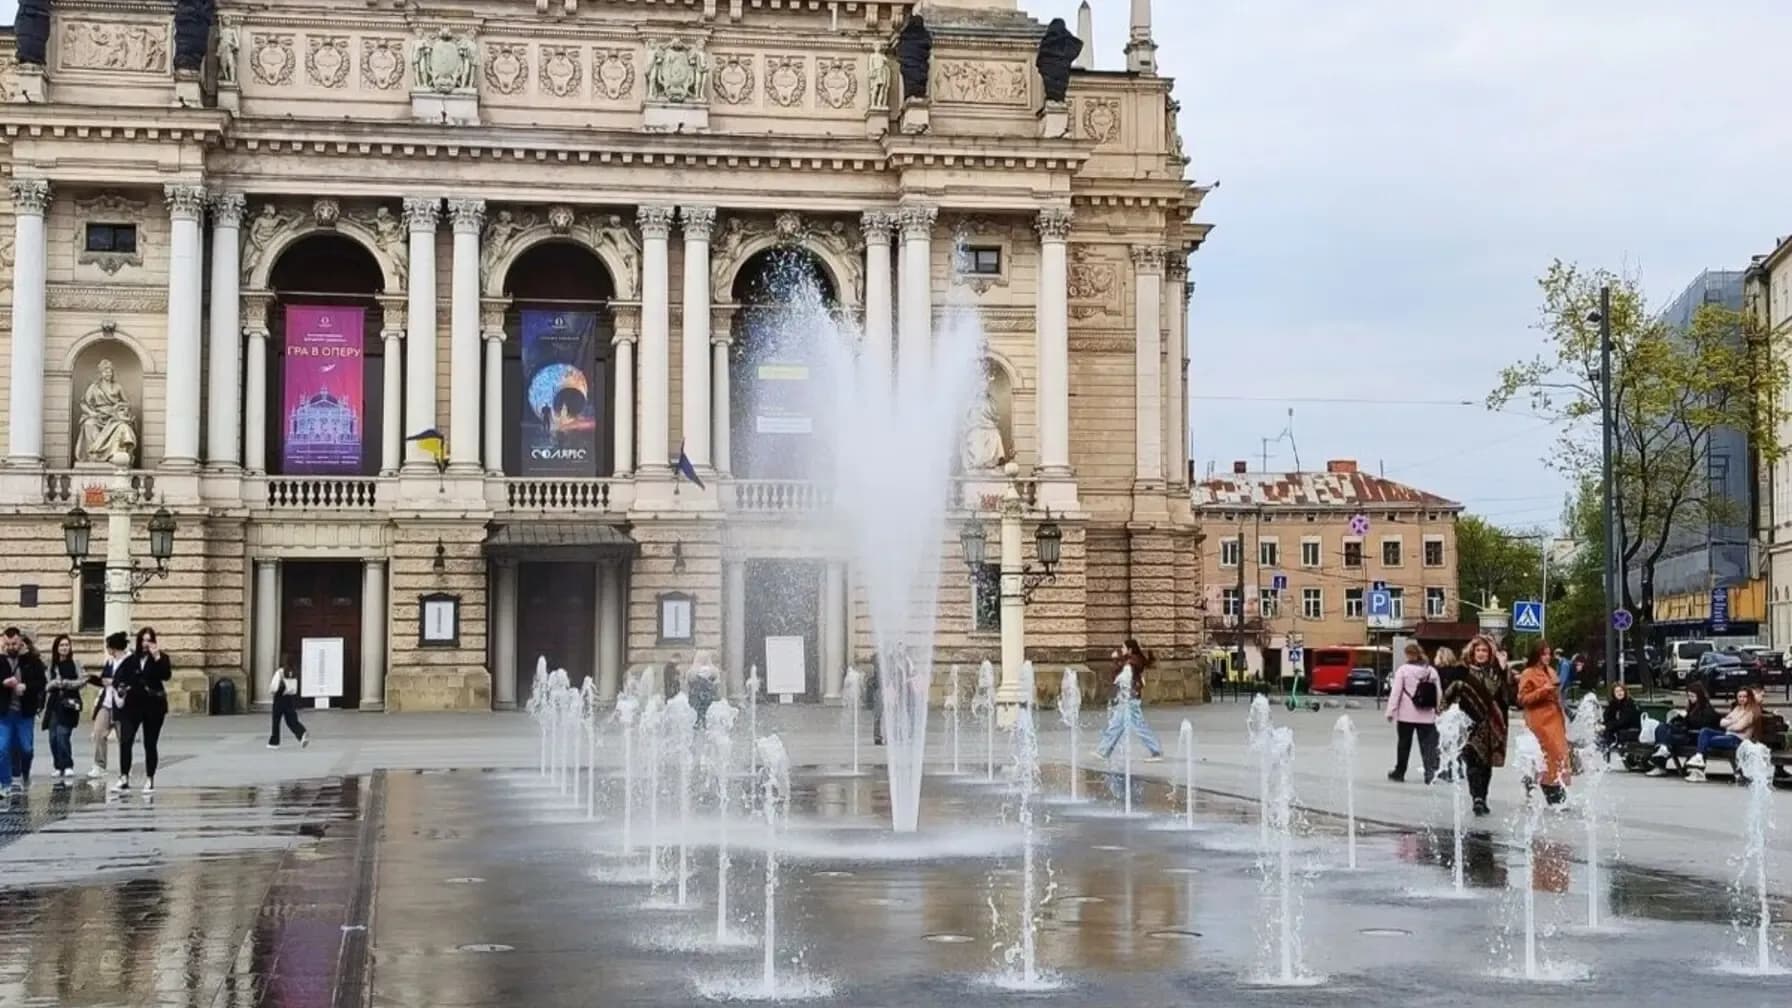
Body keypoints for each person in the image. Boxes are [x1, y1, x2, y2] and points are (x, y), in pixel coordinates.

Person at [1440, 634, 1509, 816]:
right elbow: (1448, 694)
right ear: (1472, 652)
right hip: (1468, 724)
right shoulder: (1462, 671)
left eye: (1484, 650)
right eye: (1478, 650)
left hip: (1491, 725)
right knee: (1472, 761)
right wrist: (1444, 716)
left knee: (1486, 765)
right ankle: (1476, 798)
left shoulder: (1496, 672)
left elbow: (1507, 696)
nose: (1481, 653)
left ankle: (1483, 797)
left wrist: (1503, 670)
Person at [112, 627, 171, 795]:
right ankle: (124, 777)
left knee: (150, 743)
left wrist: (157, 658)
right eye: (143, 640)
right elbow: (119, 678)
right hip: (133, 705)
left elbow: (166, 675)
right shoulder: (132, 659)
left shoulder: (161, 658)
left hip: (154, 705)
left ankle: (150, 778)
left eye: (149, 640)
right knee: (126, 740)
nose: (146, 644)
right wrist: (121, 687)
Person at [1516, 641, 1571, 804]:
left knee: (1558, 755)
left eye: (1549, 654)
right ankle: (1547, 789)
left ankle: (1556, 788)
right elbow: (1523, 699)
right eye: (1543, 654)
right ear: (1537, 655)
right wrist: (1543, 690)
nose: (1547, 657)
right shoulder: (1528, 673)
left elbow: (1557, 693)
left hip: (1554, 718)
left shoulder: (1551, 671)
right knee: (1544, 756)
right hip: (1539, 719)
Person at [1095, 639, 1163, 763]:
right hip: (1128, 699)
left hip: (1130, 700)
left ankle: (1156, 751)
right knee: (1117, 725)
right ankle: (1103, 751)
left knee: (1137, 726)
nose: (1122, 650)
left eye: (1123, 648)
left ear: (1130, 650)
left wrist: (1116, 660)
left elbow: (1121, 677)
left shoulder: (1132, 662)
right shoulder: (1133, 661)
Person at [1385, 642, 1441, 783]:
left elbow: (1396, 692)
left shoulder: (1403, 670)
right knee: (1428, 746)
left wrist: (1391, 711)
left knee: (1404, 744)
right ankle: (1430, 773)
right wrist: (1438, 709)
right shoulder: (1431, 671)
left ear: (1408, 655)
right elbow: (1438, 692)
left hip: (1406, 715)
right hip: (1427, 715)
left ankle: (1400, 772)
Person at [1685, 687, 1762, 783]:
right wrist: (1734, 722)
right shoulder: (1737, 709)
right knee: (1705, 731)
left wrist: (1730, 723)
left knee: (1706, 742)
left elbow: (1739, 727)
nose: (1742, 699)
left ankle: (1698, 772)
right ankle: (1699, 757)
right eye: (1740, 696)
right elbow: (1721, 722)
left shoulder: (1751, 711)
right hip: (1727, 735)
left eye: (1744, 696)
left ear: (1749, 697)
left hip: (1737, 740)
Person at [1646, 684, 1722, 777]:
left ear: (1699, 696)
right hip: (1685, 733)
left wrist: (1687, 717)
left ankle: (1661, 758)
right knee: (1662, 727)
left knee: (1667, 739)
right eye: (1689, 696)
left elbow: (1700, 724)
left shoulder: (1706, 709)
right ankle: (1663, 749)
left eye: (1692, 696)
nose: (1690, 698)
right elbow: (1684, 723)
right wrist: (1678, 718)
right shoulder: (1691, 707)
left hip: (1692, 737)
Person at [40, 634, 84, 782]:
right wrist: (53, 684)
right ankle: (58, 766)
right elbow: (46, 684)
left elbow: (82, 681)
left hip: (69, 704)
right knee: (53, 737)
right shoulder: (51, 665)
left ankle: (68, 764)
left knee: (63, 735)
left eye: (67, 645)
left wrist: (66, 683)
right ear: (56, 648)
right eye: (61, 645)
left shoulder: (75, 663)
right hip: (54, 704)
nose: (64, 648)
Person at [86, 631, 127, 781]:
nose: (108, 650)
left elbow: (129, 681)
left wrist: (113, 682)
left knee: (124, 738)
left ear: (114, 647)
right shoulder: (110, 662)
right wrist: (91, 678)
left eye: (108, 647)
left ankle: (125, 767)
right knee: (99, 732)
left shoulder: (129, 661)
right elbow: (103, 680)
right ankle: (100, 765)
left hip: (121, 704)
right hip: (106, 703)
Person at [267, 653, 310, 749]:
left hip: (279, 698)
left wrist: (272, 691)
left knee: (276, 721)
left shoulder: (280, 672)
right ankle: (301, 732)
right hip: (289, 698)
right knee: (291, 720)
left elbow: (274, 686)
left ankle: (274, 742)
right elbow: (294, 688)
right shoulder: (293, 672)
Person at [1599, 682, 1642, 757]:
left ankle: (1608, 751)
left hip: (1631, 729)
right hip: (1620, 727)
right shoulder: (1614, 703)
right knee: (1602, 732)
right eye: (1617, 691)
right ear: (1613, 693)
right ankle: (1603, 752)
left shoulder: (1629, 703)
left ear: (1625, 692)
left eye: (1621, 691)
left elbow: (1624, 721)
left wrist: (1607, 726)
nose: (1619, 693)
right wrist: (1603, 725)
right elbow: (1607, 717)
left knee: (1608, 732)